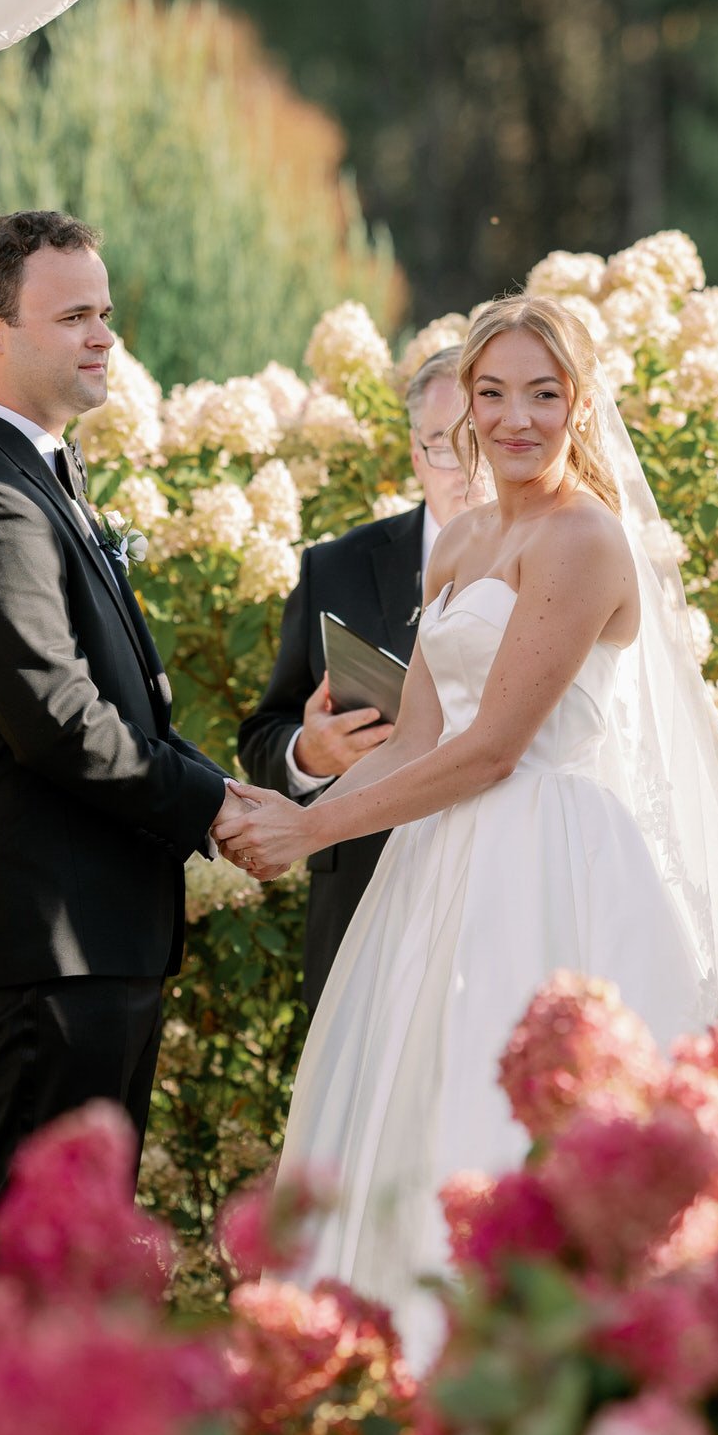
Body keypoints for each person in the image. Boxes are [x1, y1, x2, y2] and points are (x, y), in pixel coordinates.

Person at [226, 293, 718, 1360]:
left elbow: (491, 750)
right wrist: (293, 807)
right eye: (494, 392)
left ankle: (552, 1362)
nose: (517, 418)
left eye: (543, 393)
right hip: (436, 865)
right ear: (465, 405)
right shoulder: (462, 539)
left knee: (531, 1105)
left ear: (580, 402)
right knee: (415, 1095)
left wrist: (310, 837)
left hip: (549, 855)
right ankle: (397, 1365)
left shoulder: (583, 541)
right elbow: (420, 736)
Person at [0, 209, 252, 1222]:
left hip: (92, 937)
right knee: (38, 1262)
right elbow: (57, 717)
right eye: (73, 317)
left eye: (105, 313)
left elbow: (115, 694)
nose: (104, 338)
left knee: (75, 1253)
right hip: (50, 942)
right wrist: (217, 806)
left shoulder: (37, 475)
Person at [236, 349, 482, 1008]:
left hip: (500, 888)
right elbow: (265, 731)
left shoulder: (552, 566)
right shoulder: (335, 568)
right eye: (443, 446)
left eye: (481, 442)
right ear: (413, 452)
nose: (466, 468)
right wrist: (309, 754)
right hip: (365, 894)